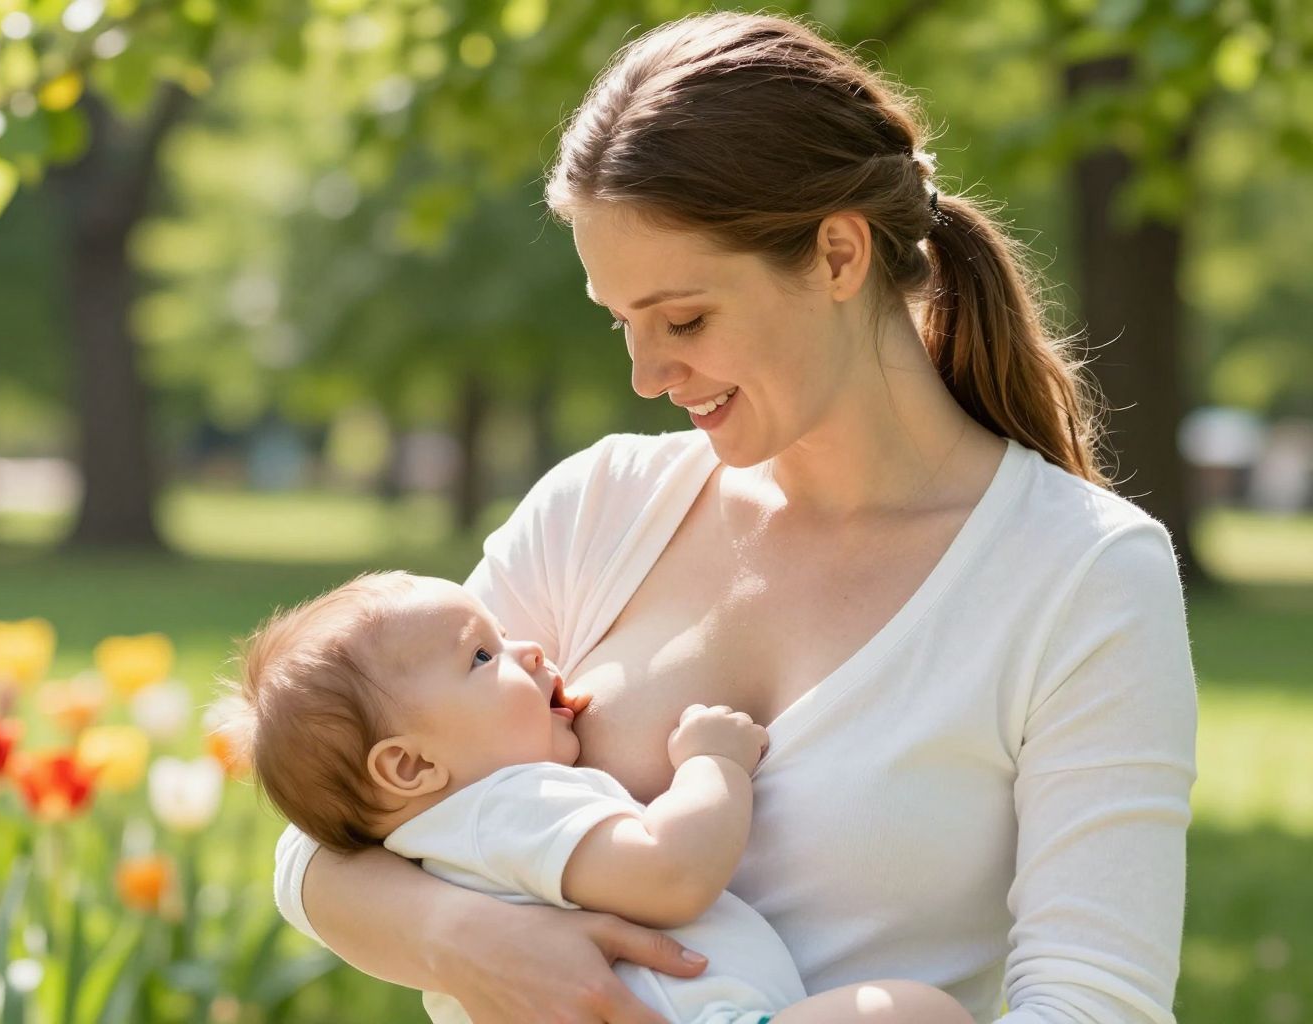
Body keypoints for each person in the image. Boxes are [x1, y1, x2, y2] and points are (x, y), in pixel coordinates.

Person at [268, 11, 1198, 1024]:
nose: (647, 373)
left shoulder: (1079, 571)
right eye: (621, 322)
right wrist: (480, 944)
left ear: (839, 255)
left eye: (685, 319)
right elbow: (324, 837)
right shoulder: (600, 507)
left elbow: (1097, 1001)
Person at [226, 570, 977, 1024]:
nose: (528, 648)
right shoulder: (504, 807)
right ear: (411, 768)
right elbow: (669, 874)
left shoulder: (433, 841)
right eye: (483, 655)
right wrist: (713, 765)